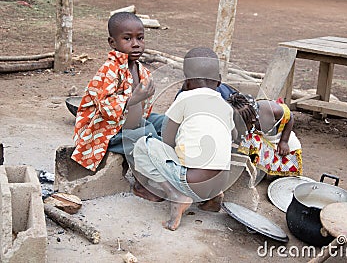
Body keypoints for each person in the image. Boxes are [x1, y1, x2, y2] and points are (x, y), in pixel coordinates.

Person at [132, 47, 236, 231]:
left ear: (186, 82)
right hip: (222, 180)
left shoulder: (184, 99)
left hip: (192, 181)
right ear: (219, 81)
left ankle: (175, 195)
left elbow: (167, 138)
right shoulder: (225, 106)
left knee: (143, 145)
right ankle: (213, 196)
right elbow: (234, 137)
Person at [71, 12, 164, 201]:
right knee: (143, 136)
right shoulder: (109, 71)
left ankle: (173, 168)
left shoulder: (141, 70)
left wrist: (142, 104)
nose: (136, 44)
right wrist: (134, 99)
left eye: (140, 38)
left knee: (165, 123)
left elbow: (144, 108)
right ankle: (142, 183)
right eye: (127, 38)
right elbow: (105, 107)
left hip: (130, 122)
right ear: (113, 43)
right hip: (104, 130)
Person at [227, 92, 302, 177]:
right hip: (262, 139)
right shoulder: (237, 115)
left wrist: (284, 141)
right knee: (246, 143)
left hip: (278, 139)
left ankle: (272, 171)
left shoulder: (274, 110)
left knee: (285, 167)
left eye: (244, 123)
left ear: (252, 119)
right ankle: (258, 170)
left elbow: (290, 117)